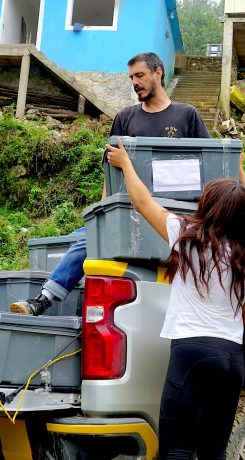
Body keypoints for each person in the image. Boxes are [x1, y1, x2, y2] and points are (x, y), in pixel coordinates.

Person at [107, 138, 245, 460]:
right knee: (213, 456)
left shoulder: (187, 236)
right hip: (233, 359)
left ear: (207, 208)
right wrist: (240, 169)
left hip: (193, 352)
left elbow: (142, 203)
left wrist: (125, 164)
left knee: (176, 454)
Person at [11, 51, 209, 315]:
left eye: (139, 75)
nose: (134, 82)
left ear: (158, 73)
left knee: (84, 240)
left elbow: (206, 163)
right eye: (131, 77)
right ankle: (45, 300)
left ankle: (45, 298)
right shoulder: (126, 117)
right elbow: (111, 172)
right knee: (85, 237)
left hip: (170, 215)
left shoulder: (186, 115)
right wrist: (105, 211)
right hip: (128, 212)